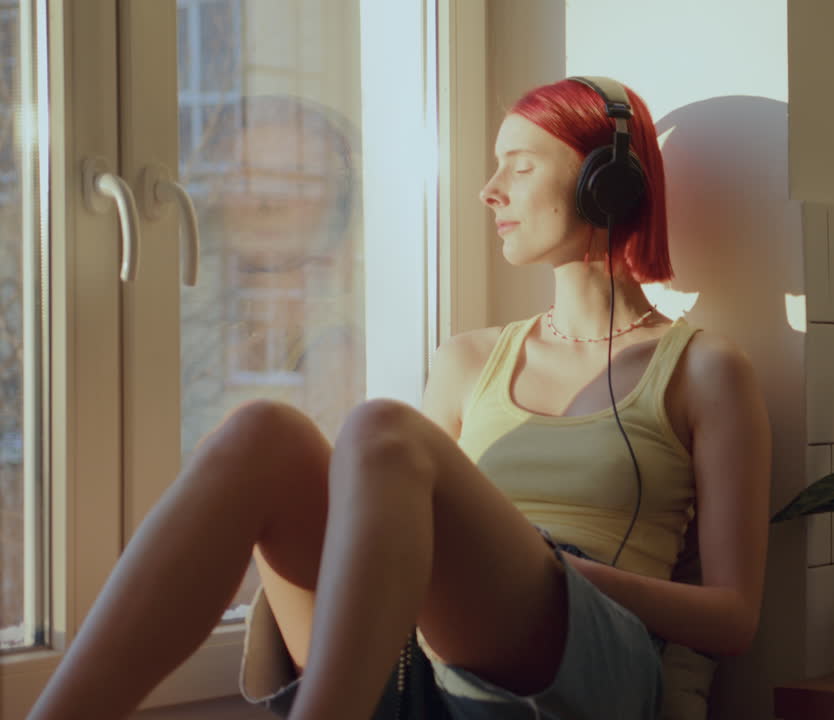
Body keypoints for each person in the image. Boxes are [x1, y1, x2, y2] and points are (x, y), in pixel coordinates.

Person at [26, 76, 771, 720]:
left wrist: (564, 571)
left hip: (591, 667)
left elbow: (733, 619)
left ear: (606, 184)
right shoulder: (468, 359)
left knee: (382, 430)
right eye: (492, 167)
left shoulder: (702, 368)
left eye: (519, 166)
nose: (490, 191)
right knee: (261, 432)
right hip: (428, 660)